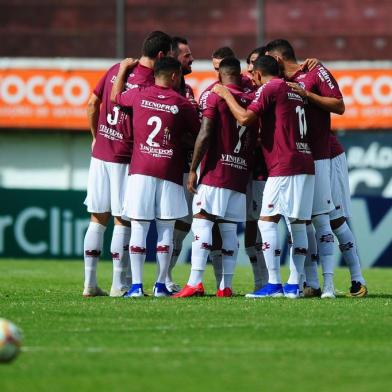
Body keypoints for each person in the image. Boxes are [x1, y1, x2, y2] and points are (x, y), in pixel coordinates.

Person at [213, 55, 315, 299]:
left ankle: (274, 284)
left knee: (266, 222)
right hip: (305, 161)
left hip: (284, 164)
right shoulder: (294, 89)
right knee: (298, 223)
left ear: (258, 74)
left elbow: (246, 117)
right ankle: (293, 285)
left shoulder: (271, 86)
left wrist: (226, 94)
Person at [82, 31, 172, 297]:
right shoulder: (150, 82)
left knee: (97, 218)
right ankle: (117, 284)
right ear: (161, 55)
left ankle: (89, 283)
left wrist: (95, 138)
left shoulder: (114, 69)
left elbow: (92, 103)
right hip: (125, 156)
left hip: (101, 153)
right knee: (123, 220)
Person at [111, 57, 200, 297]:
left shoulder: (139, 94)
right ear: (174, 76)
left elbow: (115, 98)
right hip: (169, 171)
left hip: (141, 170)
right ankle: (161, 285)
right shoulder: (182, 103)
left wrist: (121, 71)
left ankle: (137, 287)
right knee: (166, 230)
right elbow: (200, 134)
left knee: (139, 227)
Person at [173, 57, 258, 298]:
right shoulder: (250, 100)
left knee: (202, 222)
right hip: (238, 173)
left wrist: (193, 169)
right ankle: (225, 287)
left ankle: (194, 282)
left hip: (215, 172)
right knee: (230, 230)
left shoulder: (215, 95)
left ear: (220, 74)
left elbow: (206, 132)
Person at [265, 39, 343, 298]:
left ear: (276, 59)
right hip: (297, 160)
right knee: (297, 223)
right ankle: (306, 282)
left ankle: (329, 284)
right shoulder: (278, 85)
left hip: (318, 156)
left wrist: (307, 95)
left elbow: (339, 105)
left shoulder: (314, 72)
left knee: (321, 220)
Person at [165, 36, 198, 293]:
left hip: (185, 166)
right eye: (187, 56)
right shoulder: (162, 88)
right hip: (163, 165)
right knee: (147, 221)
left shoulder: (187, 90)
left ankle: (165, 276)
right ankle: (127, 279)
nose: (191, 59)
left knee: (183, 224)